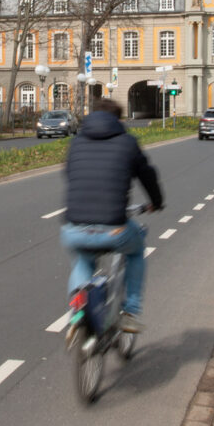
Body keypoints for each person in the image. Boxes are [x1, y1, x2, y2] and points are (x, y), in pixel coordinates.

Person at [60, 97, 163, 333]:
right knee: (137, 251)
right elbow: (148, 176)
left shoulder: (76, 143)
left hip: (73, 228)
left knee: (84, 260)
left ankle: (77, 312)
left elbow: (70, 175)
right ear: (118, 119)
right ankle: (130, 311)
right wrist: (156, 203)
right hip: (113, 229)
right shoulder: (127, 142)